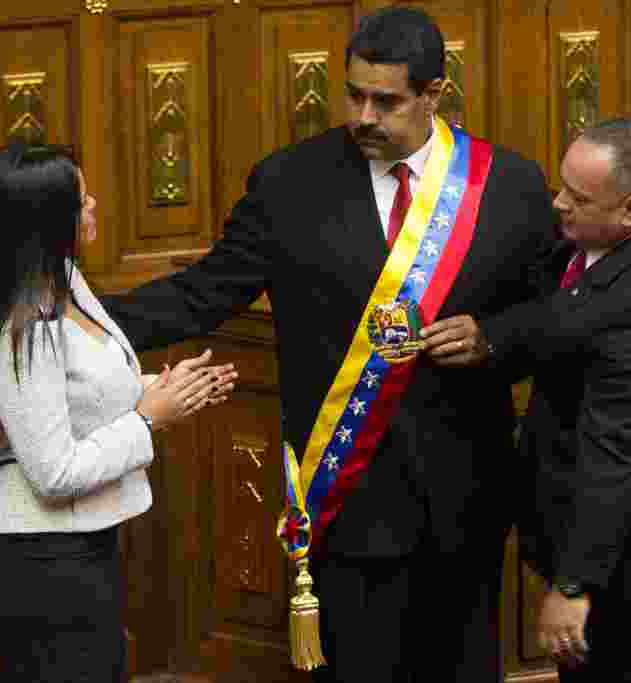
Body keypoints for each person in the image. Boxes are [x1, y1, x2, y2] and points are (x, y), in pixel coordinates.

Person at [100, 7, 555, 681]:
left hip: (466, 499)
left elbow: (552, 311)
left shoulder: (507, 186)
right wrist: (78, 318)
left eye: (387, 101)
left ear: (434, 94)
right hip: (348, 498)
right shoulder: (289, 182)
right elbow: (204, 293)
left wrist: (496, 338)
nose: (364, 116)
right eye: (355, 95)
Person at [426, 118, 631, 682]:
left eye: (577, 198)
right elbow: (568, 311)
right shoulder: (612, 239)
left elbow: (615, 452)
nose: (558, 205)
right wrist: (494, 337)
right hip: (599, 549)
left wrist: (573, 585)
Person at [0, 143, 237, 683]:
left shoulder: (66, 281)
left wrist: (172, 388)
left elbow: (87, 395)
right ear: (46, 221)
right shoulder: (24, 329)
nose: (94, 206)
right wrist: (149, 418)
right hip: (40, 564)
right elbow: (53, 473)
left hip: (82, 549)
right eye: (80, 200)